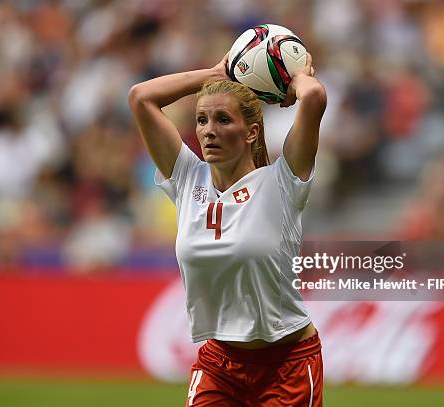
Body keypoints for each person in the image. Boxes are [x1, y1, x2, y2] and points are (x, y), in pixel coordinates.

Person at [128, 49, 327, 406]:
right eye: (202, 120)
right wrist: (215, 73)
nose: (208, 131)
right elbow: (142, 97)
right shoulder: (187, 177)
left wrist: (294, 80)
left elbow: (314, 97)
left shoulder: (282, 182)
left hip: (288, 363)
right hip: (220, 363)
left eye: (222, 120)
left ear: (251, 132)